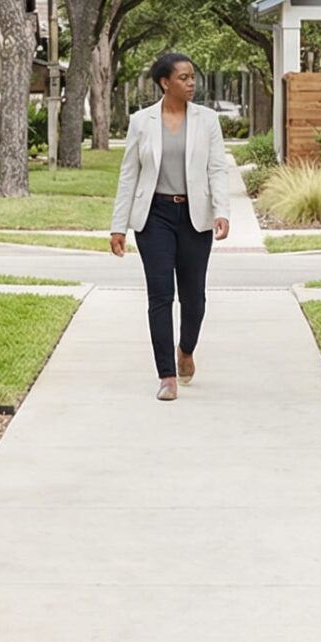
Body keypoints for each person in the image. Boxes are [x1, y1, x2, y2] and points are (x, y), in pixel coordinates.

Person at [109, 52, 240, 401]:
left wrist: (221, 211)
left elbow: (217, 169)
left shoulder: (207, 121)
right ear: (165, 82)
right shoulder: (141, 121)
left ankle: (186, 350)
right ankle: (166, 374)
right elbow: (129, 175)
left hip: (195, 217)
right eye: (183, 77)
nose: (191, 82)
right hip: (154, 217)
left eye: (193, 76)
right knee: (160, 295)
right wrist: (118, 227)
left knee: (194, 298)